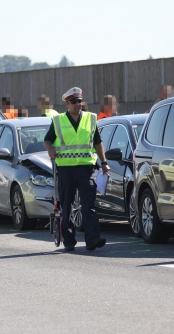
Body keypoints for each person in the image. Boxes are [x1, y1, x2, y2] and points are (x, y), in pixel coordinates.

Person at [44, 87, 110, 252]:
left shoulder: (90, 119)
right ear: (67, 104)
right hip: (66, 170)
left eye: (80, 101)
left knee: (88, 205)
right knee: (66, 206)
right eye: (74, 102)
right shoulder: (58, 121)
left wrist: (103, 162)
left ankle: (92, 239)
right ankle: (69, 240)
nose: (78, 104)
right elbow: (48, 140)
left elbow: (97, 142)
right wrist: (50, 150)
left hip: (85, 168)